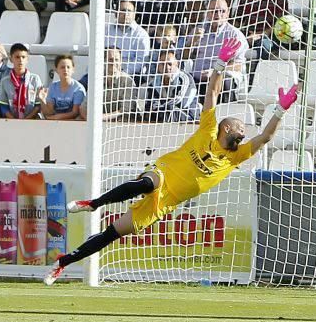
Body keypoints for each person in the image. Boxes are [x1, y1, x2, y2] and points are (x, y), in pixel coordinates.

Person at [44, 39, 299, 285]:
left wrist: (280, 110)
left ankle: (63, 262)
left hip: (167, 202)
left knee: (113, 233)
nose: (244, 130)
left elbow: (265, 137)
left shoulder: (236, 156)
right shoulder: (208, 129)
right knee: (146, 183)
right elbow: (212, 91)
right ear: (226, 127)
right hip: (163, 172)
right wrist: (220, 64)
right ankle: (94, 203)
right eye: (240, 126)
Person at [187, 0, 249, 101]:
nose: (218, 15)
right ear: (207, 14)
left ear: (228, 14)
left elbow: (239, 65)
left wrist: (215, 71)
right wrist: (192, 42)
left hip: (221, 76)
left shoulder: (234, 35)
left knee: (224, 80)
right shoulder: (198, 31)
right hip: (197, 78)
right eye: (214, 11)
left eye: (222, 11)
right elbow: (182, 57)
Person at [143, 49, 201, 122]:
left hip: (187, 114)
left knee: (167, 111)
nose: (167, 67)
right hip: (164, 112)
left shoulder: (185, 79)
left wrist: (159, 107)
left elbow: (180, 102)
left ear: (177, 64)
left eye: (169, 64)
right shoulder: (153, 82)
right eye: (162, 64)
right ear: (158, 66)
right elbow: (150, 104)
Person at [104, 0, 151, 79]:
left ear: (134, 14)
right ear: (116, 14)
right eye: (123, 10)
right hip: (106, 73)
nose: (126, 14)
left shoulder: (142, 35)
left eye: (129, 11)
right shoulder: (106, 30)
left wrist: (123, 73)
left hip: (131, 76)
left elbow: (141, 61)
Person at [0, 43, 43, 119]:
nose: (20, 60)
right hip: (12, 121)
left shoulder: (35, 79)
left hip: (31, 120)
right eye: (17, 57)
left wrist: (27, 118)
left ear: (27, 59)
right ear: (11, 59)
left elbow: (38, 104)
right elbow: (3, 105)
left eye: (23, 57)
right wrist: (13, 120)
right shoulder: (5, 81)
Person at [37, 55, 85, 120]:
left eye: (68, 67)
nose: (65, 70)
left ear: (73, 69)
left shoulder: (78, 89)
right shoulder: (53, 87)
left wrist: (57, 117)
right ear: (56, 70)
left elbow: (75, 112)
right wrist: (42, 100)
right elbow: (49, 112)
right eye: (62, 67)